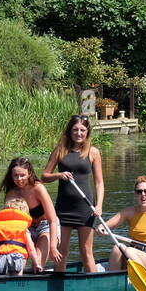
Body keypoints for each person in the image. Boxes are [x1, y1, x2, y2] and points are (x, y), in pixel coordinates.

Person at [42, 115, 103, 273]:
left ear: (87, 132)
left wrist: (99, 206)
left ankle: (93, 285)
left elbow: (99, 183)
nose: (79, 133)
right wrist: (58, 175)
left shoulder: (93, 152)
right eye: (75, 129)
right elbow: (44, 176)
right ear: (69, 131)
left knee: (86, 251)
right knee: (61, 252)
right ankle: (59, 283)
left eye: (82, 130)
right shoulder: (60, 150)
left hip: (86, 208)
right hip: (64, 208)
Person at [99, 175, 146, 271]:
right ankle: (113, 280)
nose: (143, 194)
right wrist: (101, 227)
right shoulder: (128, 212)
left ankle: (143, 279)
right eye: (139, 192)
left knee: (129, 251)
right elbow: (105, 226)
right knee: (117, 248)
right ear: (136, 194)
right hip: (132, 254)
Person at [0, 157, 58, 269]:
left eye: (22, 175)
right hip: (25, 229)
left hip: (45, 227)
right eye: (15, 175)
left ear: (29, 173)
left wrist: (53, 247)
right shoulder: (11, 194)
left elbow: (53, 220)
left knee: (38, 264)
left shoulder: (38, 188)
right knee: (18, 264)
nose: (19, 179)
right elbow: (8, 224)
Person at [0, 199, 44, 275]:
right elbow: (31, 249)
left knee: (1, 278)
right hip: (18, 258)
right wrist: (36, 264)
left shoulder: (1, 228)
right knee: (17, 278)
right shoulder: (24, 229)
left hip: (2, 258)